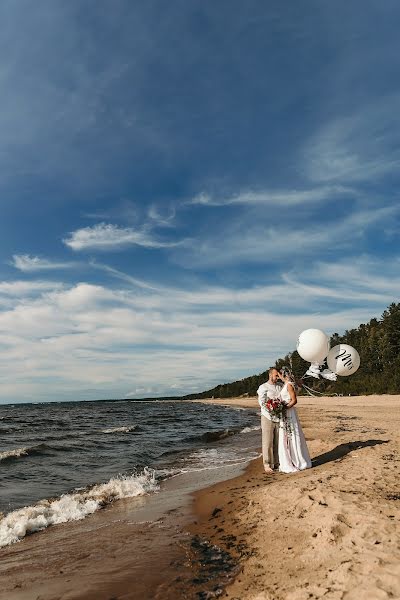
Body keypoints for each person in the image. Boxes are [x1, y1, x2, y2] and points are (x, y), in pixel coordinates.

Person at [277, 374, 312, 473]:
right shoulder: (286, 384)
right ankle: (292, 459)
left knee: (291, 434)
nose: (279, 376)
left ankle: (296, 461)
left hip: (289, 412)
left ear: (285, 375)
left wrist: (284, 408)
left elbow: (294, 400)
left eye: (281, 374)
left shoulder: (289, 385)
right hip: (286, 412)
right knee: (288, 435)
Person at [257, 367, 283, 473]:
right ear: (270, 375)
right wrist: (272, 410)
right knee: (267, 441)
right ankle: (267, 464)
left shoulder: (280, 386)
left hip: (279, 417)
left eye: (278, 376)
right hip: (267, 417)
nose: (277, 377)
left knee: (278, 441)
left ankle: (277, 463)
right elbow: (262, 402)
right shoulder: (263, 387)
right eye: (276, 375)